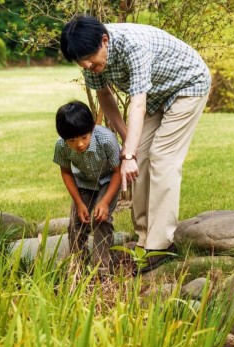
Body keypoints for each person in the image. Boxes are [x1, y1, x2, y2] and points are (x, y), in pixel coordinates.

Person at [60, 15, 211, 271]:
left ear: (104, 41)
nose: (85, 64)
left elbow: (137, 102)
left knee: (162, 158)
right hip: (157, 95)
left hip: (188, 86)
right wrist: (128, 141)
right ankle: (144, 238)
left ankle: (161, 244)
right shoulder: (92, 63)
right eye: (79, 61)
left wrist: (128, 153)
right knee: (139, 153)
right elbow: (105, 96)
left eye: (88, 57)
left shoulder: (133, 46)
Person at [53, 101, 121, 274]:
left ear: (91, 129)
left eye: (84, 137)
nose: (80, 144)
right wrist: (79, 203)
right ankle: (78, 269)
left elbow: (118, 171)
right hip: (83, 181)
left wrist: (105, 201)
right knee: (76, 224)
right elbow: (67, 172)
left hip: (108, 179)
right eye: (72, 140)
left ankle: (102, 271)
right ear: (64, 138)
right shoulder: (61, 146)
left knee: (101, 219)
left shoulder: (107, 139)